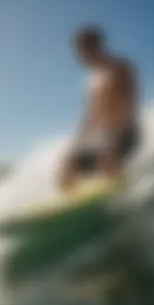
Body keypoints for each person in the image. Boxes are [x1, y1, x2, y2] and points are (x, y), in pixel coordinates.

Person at [59, 25, 140, 191]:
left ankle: (126, 191)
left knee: (107, 162)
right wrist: (73, 149)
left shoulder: (119, 68)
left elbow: (128, 105)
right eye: (77, 52)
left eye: (81, 51)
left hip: (125, 135)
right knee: (68, 166)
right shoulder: (92, 81)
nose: (78, 57)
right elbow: (89, 120)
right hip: (104, 139)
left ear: (94, 47)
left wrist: (113, 145)